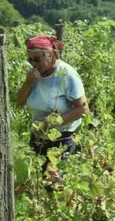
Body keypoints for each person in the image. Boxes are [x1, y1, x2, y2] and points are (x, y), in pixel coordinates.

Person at [16, 34, 89, 176]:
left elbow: (82, 109)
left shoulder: (66, 75)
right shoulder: (33, 75)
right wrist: (28, 82)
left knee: (54, 181)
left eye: (37, 59)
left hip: (63, 137)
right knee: (36, 179)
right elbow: (20, 101)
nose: (33, 64)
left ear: (50, 55)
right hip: (39, 136)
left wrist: (49, 122)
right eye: (30, 60)